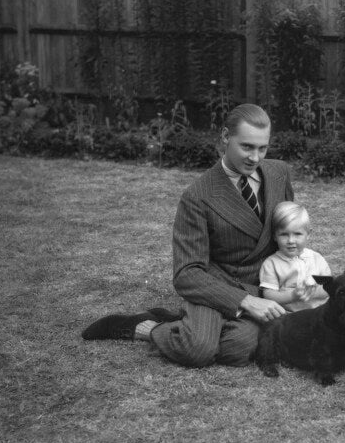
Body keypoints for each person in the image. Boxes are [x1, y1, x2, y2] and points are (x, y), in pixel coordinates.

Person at [82, 103, 294, 367]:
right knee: (197, 350)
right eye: (247, 147)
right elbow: (186, 274)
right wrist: (246, 302)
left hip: (260, 286)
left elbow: (286, 232)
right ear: (226, 137)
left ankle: (180, 321)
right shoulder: (198, 196)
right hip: (214, 287)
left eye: (262, 148)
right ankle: (144, 326)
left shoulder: (278, 173)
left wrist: (292, 281)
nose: (255, 157)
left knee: (238, 349)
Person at [259, 201, 331, 312]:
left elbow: (330, 287)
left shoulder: (317, 259)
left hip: (319, 315)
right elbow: (268, 295)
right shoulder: (271, 263)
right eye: (284, 234)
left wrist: (311, 292)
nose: (291, 241)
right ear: (274, 236)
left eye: (297, 234)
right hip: (289, 317)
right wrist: (293, 295)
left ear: (308, 234)